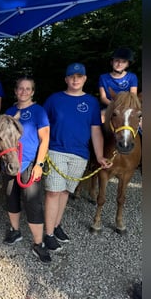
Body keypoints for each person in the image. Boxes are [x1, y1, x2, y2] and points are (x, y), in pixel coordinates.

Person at [42, 63, 112, 252]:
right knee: (53, 192)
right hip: (56, 151)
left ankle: (56, 226)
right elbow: (42, 126)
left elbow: (96, 130)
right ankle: (47, 235)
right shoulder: (54, 99)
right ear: (66, 79)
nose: (75, 79)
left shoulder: (91, 102)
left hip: (80, 154)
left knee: (65, 191)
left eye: (79, 76)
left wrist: (99, 156)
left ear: (84, 79)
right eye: (71, 76)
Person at [2, 76, 51, 264]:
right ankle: (15, 231)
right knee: (10, 197)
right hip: (10, 163)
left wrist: (39, 164)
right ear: (15, 91)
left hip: (29, 163)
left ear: (32, 92)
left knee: (33, 203)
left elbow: (44, 139)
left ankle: (38, 244)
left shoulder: (38, 111)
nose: (23, 91)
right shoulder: (9, 111)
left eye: (27, 89)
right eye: (20, 88)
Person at [98, 47, 138, 121]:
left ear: (127, 64)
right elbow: (103, 98)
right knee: (101, 117)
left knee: (142, 120)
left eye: (124, 62)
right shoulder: (103, 77)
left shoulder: (132, 77)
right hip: (110, 106)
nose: (119, 64)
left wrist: (124, 107)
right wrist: (114, 106)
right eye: (117, 61)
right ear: (111, 62)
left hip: (127, 107)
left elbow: (133, 96)